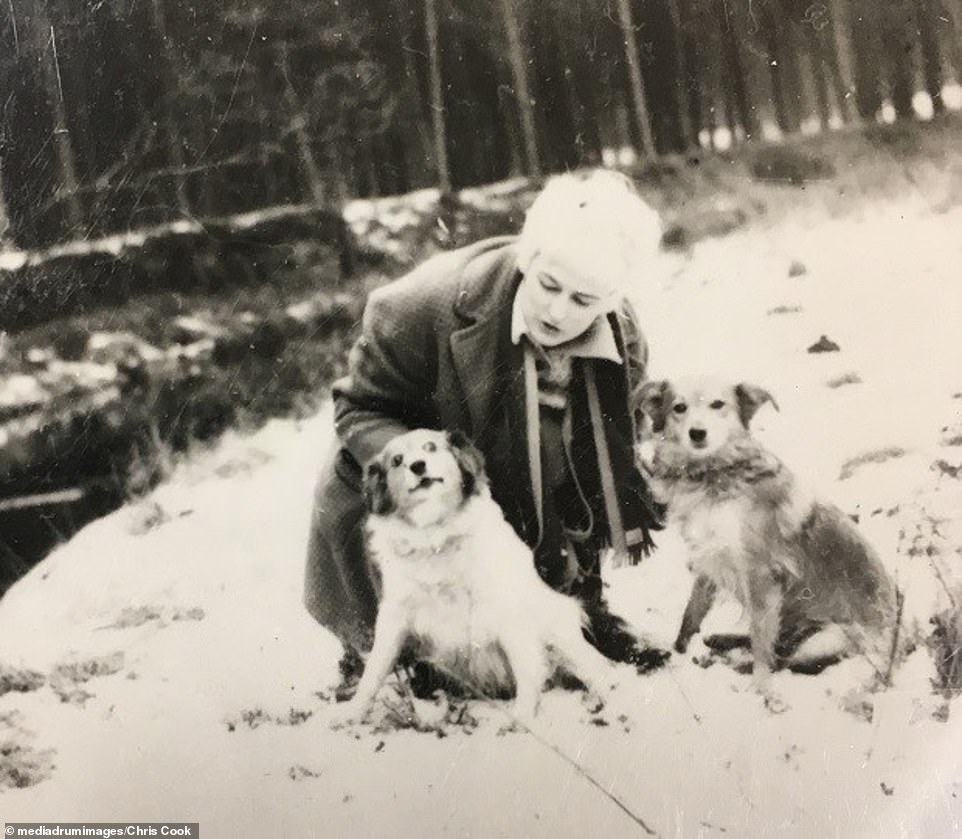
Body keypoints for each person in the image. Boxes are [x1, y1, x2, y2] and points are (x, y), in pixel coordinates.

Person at [304, 170, 668, 695]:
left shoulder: (622, 335)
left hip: (519, 477)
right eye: (549, 286)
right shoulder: (415, 306)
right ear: (528, 257)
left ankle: (581, 613)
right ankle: (384, 649)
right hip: (435, 473)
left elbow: (610, 450)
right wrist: (428, 464)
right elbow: (358, 408)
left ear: (612, 299)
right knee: (356, 479)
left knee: (578, 437)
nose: (558, 312)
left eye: (584, 301)